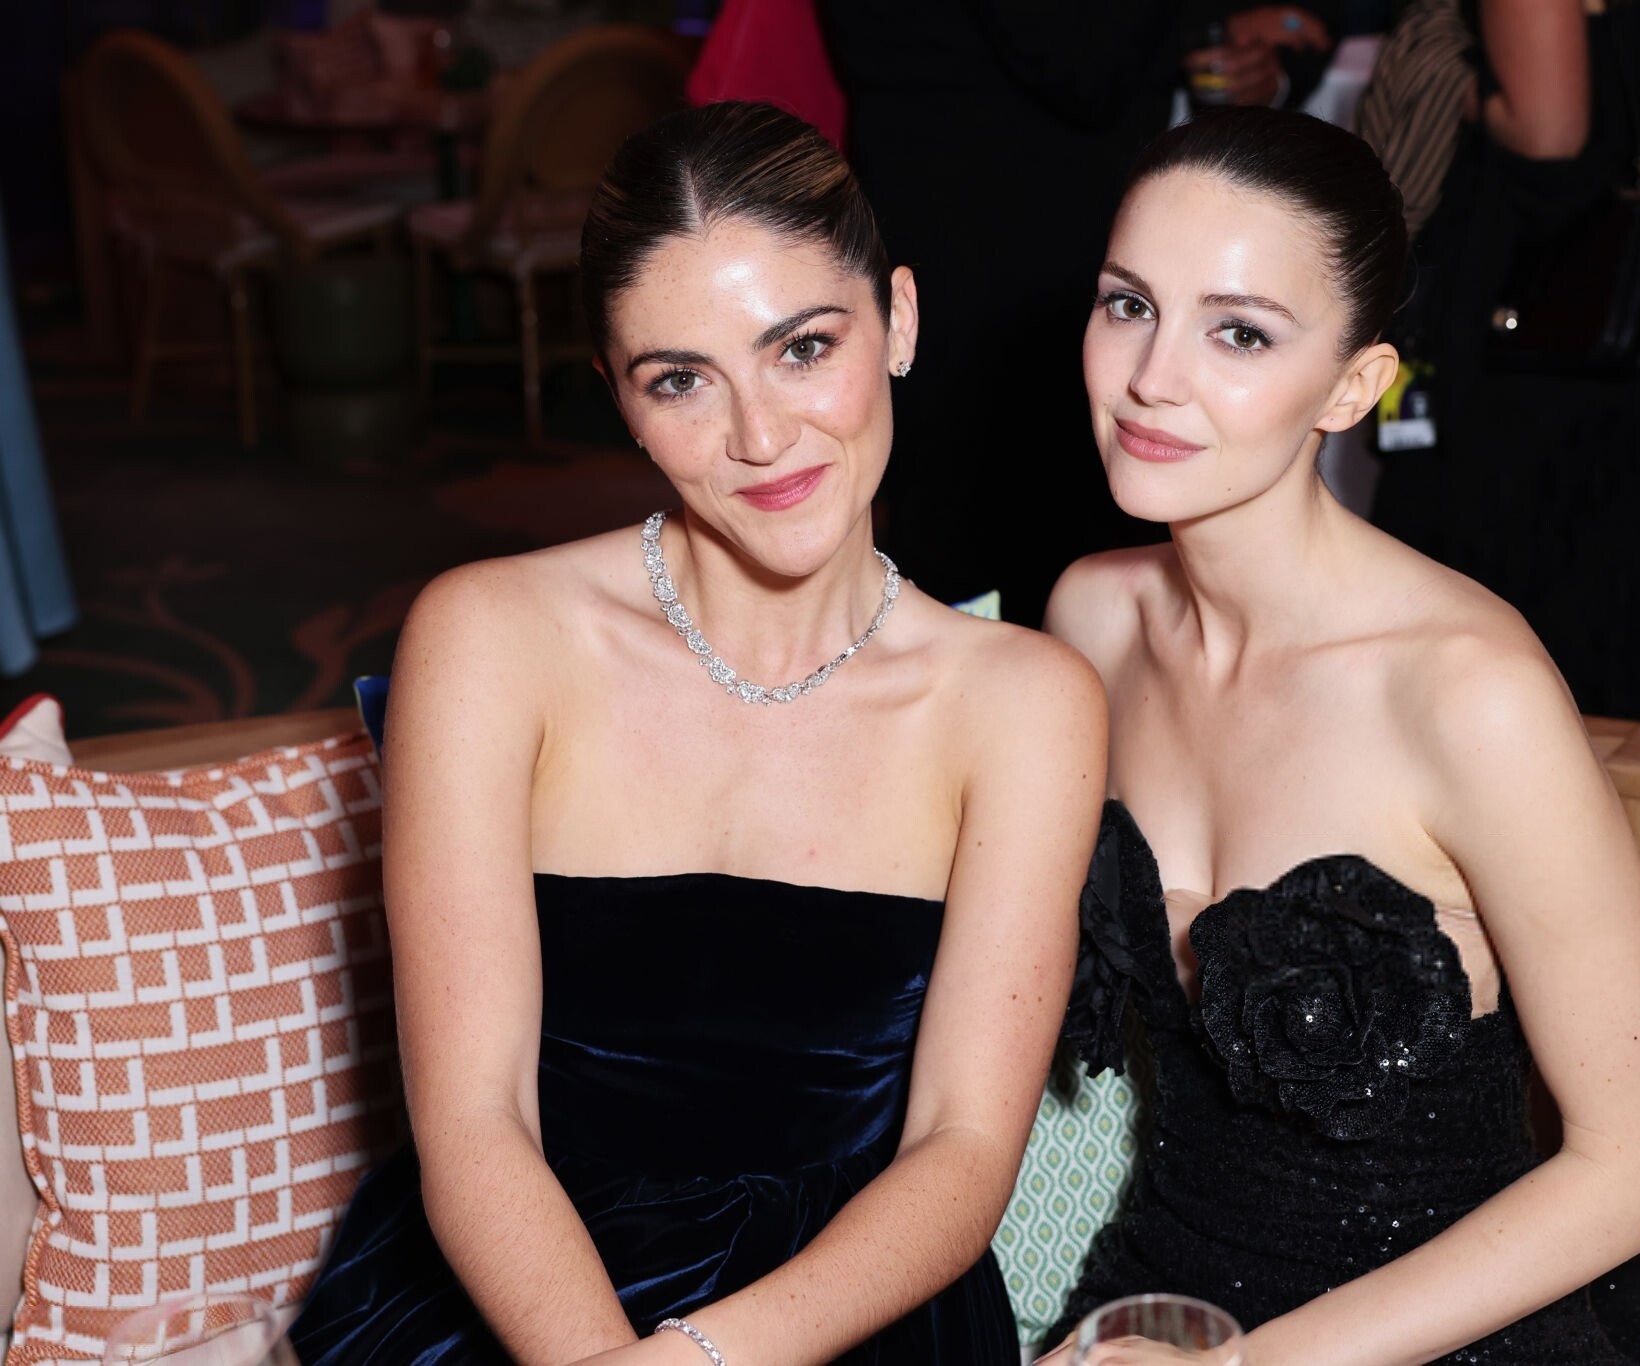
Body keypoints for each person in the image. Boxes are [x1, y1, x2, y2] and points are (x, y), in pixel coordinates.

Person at [285, 102, 1106, 1366]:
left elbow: (963, 1148)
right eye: (680, 380)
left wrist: (702, 1359)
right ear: (618, 396)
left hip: (850, 1304)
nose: (759, 439)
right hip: (521, 1286)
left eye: (802, 347)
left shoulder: (1024, 702)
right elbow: (475, 1121)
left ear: (897, 319)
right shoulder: (489, 637)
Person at [1038, 107, 1640, 1363]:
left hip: (1441, 1330)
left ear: (1353, 385)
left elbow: (1638, 1166)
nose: (1151, 376)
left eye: (1238, 331)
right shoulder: (1091, 617)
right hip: (1155, 1298)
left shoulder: (1469, 693)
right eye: (1127, 304)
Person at [819, 2, 1341, 628]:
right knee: (986, 546)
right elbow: (1081, 61)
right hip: (986, 254)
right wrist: (1210, 20)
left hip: (1044, 250)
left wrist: (1252, 59)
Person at [1366, 0, 1640, 726]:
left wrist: (1447, 81)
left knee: (1498, 584)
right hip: (1623, 306)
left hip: (1529, 319)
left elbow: (1548, 134)